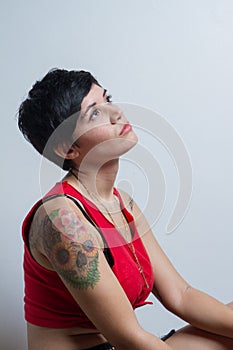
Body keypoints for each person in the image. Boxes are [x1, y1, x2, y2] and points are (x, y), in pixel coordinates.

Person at [18, 68, 233, 350]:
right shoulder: (64, 220)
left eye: (108, 99)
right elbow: (129, 338)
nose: (116, 112)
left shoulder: (123, 204)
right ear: (67, 149)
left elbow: (181, 295)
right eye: (94, 113)